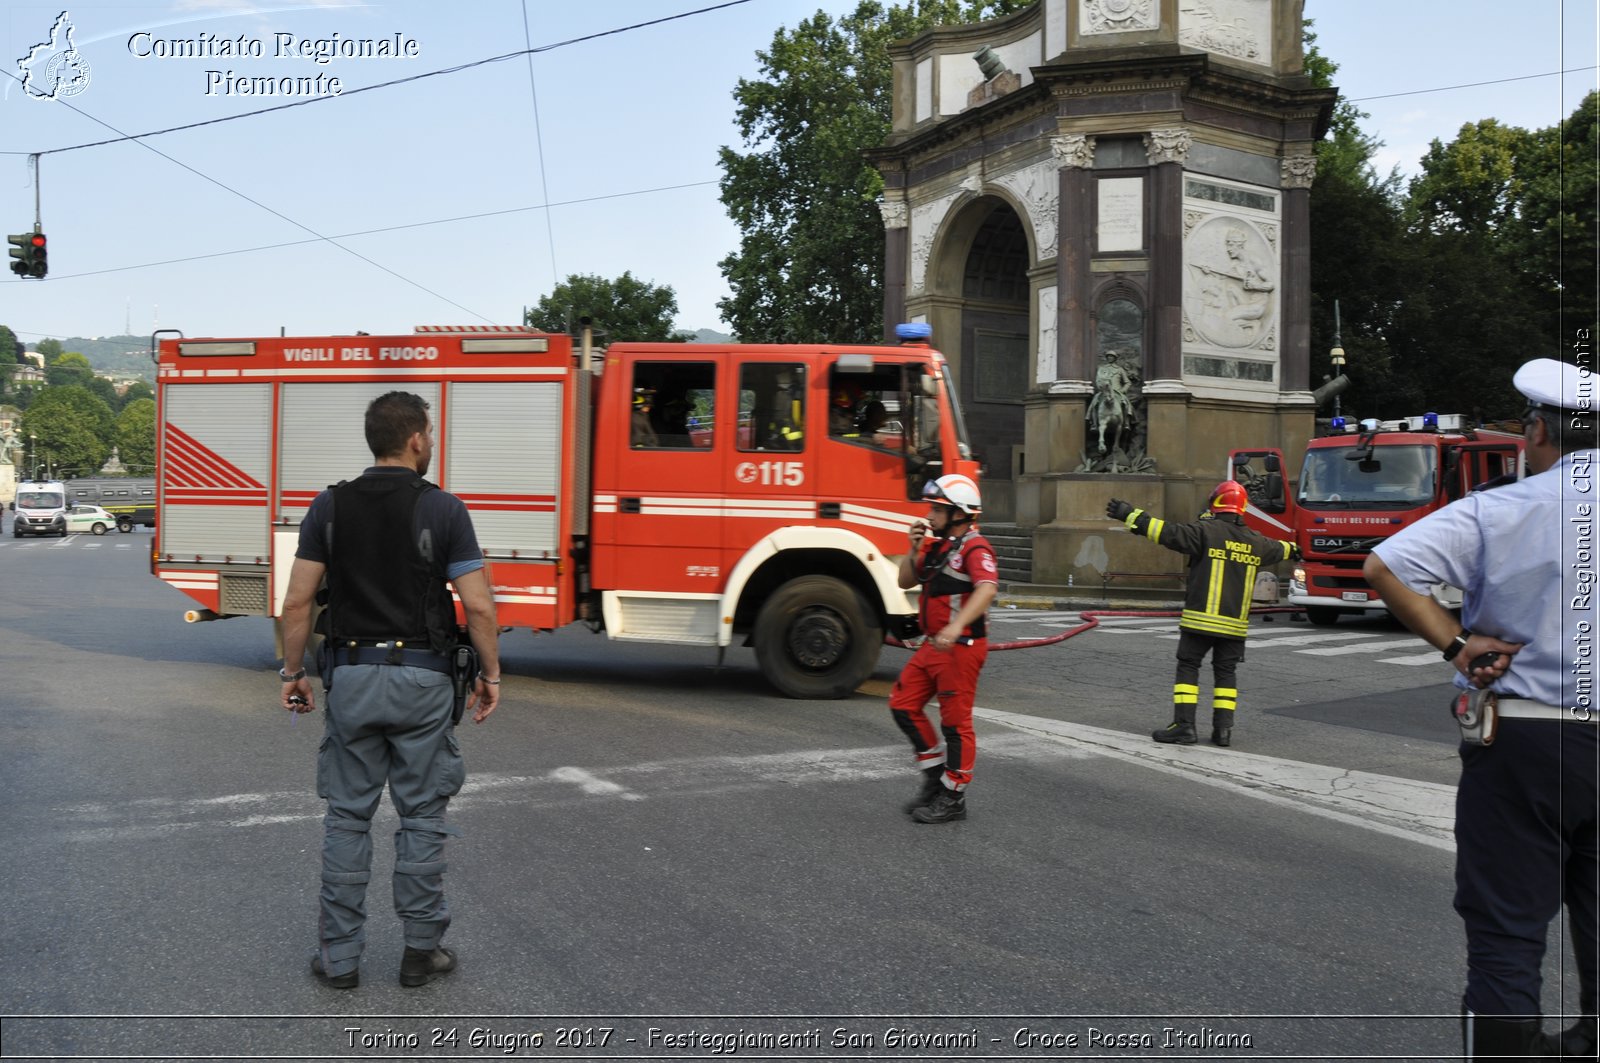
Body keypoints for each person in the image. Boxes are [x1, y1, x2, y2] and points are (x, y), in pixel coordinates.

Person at [1364, 358, 1598, 1061]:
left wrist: (1460, 644)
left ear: (1540, 430)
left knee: (1506, 934)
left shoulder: (1503, 507)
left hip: (1529, 742)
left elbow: (1386, 566)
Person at [279, 391, 501, 990]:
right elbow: (478, 607)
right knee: (422, 817)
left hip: (350, 676)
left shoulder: (328, 507)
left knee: (347, 819)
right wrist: (490, 676)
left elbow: (298, 601)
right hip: (424, 682)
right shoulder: (446, 511)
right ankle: (419, 952)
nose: (431, 442)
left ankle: (341, 958)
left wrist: (292, 673)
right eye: (429, 434)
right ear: (416, 439)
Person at [1106, 482, 1296, 746]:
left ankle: (1184, 727)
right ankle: (1223, 731)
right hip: (1234, 628)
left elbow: (1166, 532)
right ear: (1241, 507)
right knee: (1226, 673)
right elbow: (1284, 548)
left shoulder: (1204, 532)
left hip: (1200, 622)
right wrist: (1297, 548)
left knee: (1188, 667)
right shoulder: (1256, 542)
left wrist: (1130, 514)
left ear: (1215, 503)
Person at [888, 473, 999, 824]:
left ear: (960, 512)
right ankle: (934, 778)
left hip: (960, 649)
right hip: (933, 647)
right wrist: (913, 548)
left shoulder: (975, 547)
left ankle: (954, 797)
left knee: (955, 724)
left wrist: (955, 624)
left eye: (937, 509)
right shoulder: (937, 547)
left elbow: (987, 588)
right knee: (903, 705)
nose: (930, 515)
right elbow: (904, 580)